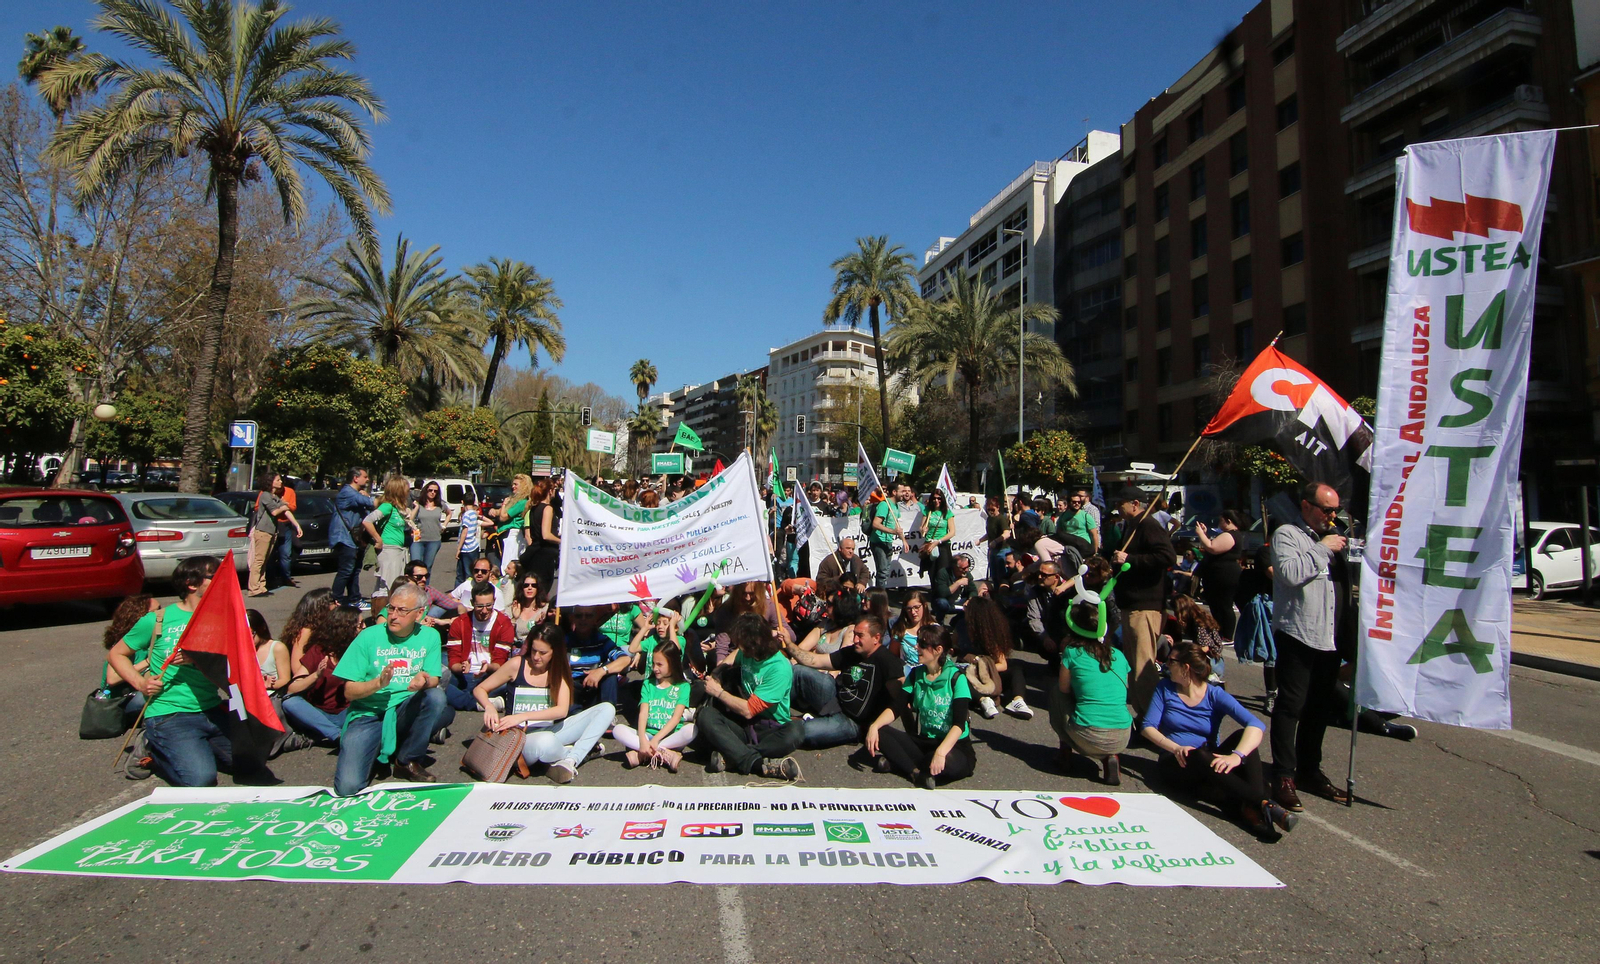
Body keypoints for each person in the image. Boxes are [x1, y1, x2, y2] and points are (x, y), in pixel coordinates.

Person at [107, 556, 256, 787]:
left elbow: (238, 662)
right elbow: (117, 654)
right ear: (191, 583)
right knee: (201, 780)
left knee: (251, 768)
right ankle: (155, 753)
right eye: (214, 577)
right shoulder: (158, 619)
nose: (222, 581)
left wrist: (198, 659)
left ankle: (191, 749)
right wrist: (140, 683)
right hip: (169, 713)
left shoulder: (224, 617)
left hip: (211, 708)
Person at [1142, 642, 1297, 840]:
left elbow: (1256, 725)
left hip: (1208, 761)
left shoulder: (1214, 694)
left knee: (1242, 737)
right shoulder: (1165, 688)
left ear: (1185, 667)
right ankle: (1264, 803)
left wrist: (1236, 756)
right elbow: (1148, 727)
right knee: (1196, 754)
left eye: (1171, 661)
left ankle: (1255, 810)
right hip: (1176, 763)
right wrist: (1175, 748)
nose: (1166, 664)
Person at [1269, 481, 1353, 810]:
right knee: (1291, 706)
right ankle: (1284, 775)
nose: (1332, 516)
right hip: (1298, 633)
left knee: (1320, 708)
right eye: (1326, 510)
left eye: (1335, 510)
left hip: (1330, 637)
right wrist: (1323, 548)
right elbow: (1289, 573)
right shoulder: (1288, 534)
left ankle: (1309, 769)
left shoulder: (1337, 538)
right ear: (1306, 506)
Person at [331, 581, 450, 795]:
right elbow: (348, 692)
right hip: (368, 713)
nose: (393, 615)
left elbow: (433, 678)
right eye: (391, 608)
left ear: (420, 613)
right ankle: (377, 749)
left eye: (402, 610)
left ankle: (407, 760)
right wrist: (377, 684)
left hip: (404, 707)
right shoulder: (368, 637)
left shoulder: (430, 636)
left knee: (436, 697)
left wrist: (424, 681)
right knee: (348, 787)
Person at [476, 625, 614, 784]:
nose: (536, 657)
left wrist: (522, 716)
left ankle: (570, 761)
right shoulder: (517, 664)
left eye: (543, 653)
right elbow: (480, 689)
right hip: (518, 739)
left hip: (550, 730)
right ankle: (578, 751)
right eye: (534, 650)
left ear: (555, 652)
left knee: (606, 709)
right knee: (545, 742)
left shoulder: (559, 671)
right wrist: (489, 707)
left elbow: (562, 711)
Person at [867, 625, 976, 789]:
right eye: (918, 643)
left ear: (938, 650)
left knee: (944, 763)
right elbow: (897, 707)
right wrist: (874, 726)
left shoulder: (956, 678)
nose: (916, 648)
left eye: (923, 645)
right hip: (925, 741)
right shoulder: (916, 674)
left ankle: (900, 764)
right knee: (881, 732)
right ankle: (916, 773)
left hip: (954, 745)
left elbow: (959, 724)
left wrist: (940, 753)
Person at [699, 613, 803, 779]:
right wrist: (718, 673)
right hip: (744, 725)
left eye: (743, 645)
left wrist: (718, 692)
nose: (740, 648)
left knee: (796, 731)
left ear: (756, 644)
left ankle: (735, 755)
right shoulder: (747, 653)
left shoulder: (779, 668)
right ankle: (755, 762)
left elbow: (749, 710)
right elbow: (733, 657)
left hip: (770, 728)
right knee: (705, 715)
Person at [1055, 567, 1133, 785]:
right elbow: (1123, 690)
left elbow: (1063, 690)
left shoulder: (1072, 653)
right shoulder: (1118, 655)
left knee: (1057, 693)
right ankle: (1110, 757)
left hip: (1087, 733)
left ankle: (1065, 750)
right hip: (1123, 734)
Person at [785, 615, 904, 750]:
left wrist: (876, 726)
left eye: (860, 636)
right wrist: (789, 644)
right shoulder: (853, 651)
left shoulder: (888, 662)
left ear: (876, 638)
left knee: (805, 732)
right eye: (854, 634)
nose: (855, 640)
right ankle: (774, 708)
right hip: (835, 698)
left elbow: (901, 700)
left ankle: (777, 728)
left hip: (852, 722)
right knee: (799, 671)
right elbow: (815, 661)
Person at [1110, 485, 1176, 715]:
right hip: (1131, 603)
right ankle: (1142, 712)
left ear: (1135, 504)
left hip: (1145, 604)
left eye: (1121, 504)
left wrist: (1131, 558)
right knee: (1132, 664)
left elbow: (1167, 556)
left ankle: (1151, 719)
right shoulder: (1132, 526)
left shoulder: (1148, 524)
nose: (1118, 509)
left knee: (1142, 666)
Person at [282, 606, 360, 744]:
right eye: (360, 625)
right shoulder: (319, 651)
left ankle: (325, 732)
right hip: (319, 713)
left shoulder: (360, 651)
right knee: (290, 702)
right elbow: (292, 688)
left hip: (347, 712)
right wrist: (316, 675)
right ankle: (337, 735)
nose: (364, 628)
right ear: (346, 629)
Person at [613, 642, 696, 771]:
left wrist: (655, 741)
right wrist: (643, 741)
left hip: (670, 737)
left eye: (660, 664)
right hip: (648, 734)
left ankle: (643, 755)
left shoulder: (683, 687)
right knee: (617, 730)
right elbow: (643, 713)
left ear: (672, 663)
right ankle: (663, 754)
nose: (655, 668)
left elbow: (675, 718)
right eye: (653, 663)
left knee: (692, 729)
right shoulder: (648, 684)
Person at [444, 585, 517, 712]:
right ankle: (478, 702)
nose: (484, 610)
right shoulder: (459, 622)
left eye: (488, 605)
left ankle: (464, 699)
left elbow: (500, 662)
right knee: (437, 682)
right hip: (463, 676)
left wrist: (488, 667)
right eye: (479, 606)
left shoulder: (503, 623)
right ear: (472, 603)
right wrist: (460, 667)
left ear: (494, 601)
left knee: (511, 683)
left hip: (490, 676)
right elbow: (453, 659)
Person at [960, 595, 1023, 720]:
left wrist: (982, 669)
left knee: (1016, 669)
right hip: (969, 673)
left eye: (966, 607)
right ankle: (983, 701)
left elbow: (1002, 664)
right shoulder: (960, 625)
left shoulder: (988, 634)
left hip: (988, 673)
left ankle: (1018, 701)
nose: (963, 609)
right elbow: (954, 644)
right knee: (961, 676)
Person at [565, 605, 633, 710]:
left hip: (595, 687)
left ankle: (608, 714)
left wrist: (601, 671)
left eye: (588, 616)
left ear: (594, 619)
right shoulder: (564, 641)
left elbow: (625, 659)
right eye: (579, 616)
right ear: (572, 618)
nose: (583, 619)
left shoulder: (601, 640)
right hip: (571, 688)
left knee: (610, 671)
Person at [362, 475, 416, 607]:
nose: (408, 492)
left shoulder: (399, 508)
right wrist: (378, 539)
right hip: (389, 550)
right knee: (387, 586)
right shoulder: (387, 506)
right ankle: (383, 614)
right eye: (406, 489)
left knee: (396, 584)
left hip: (399, 550)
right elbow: (367, 521)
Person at [1194, 510, 1246, 641]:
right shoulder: (1227, 535)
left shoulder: (1230, 535)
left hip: (1225, 575)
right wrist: (1205, 534)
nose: (1219, 523)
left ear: (1228, 521)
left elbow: (1212, 547)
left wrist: (1200, 534)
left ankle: (1227, 635)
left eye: (1221, 520)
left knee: (1224, 605)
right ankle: (1218, 630)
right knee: (1216, 605)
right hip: (1215, 575)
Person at [248, 474, 302, 597]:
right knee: (259, 561)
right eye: (277, 480)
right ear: (270, 482)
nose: (280, 481)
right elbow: (275, 511)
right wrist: (283, 506)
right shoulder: (265, 495)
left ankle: (261, 586)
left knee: (265, 560)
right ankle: (254, 588)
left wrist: (296, 525)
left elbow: (286, 511)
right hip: (263, 531)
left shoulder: (274, 496)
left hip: (271, 531)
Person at [330, 467, 375, 609]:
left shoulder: (354, 493)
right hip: (345, 537)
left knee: (354, 570)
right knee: (346, 570)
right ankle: (334, 600)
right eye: (365, 476)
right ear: (355, 478)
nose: (367, 479)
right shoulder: (348, 492)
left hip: (354, 538)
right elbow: (372, 503)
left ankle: (354, 599)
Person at [519, 477, 562, 595]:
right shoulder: (547, 508)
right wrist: (561, 541)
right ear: (550, 491)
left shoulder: (533, 508)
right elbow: (546, 534)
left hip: (535, 552)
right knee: (542, 591)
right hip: (544, 554)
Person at [865, 487, 905, 589]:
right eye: (902, 491)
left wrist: (904, 540)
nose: (904, 494)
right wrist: (893, 532)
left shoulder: (895, 506)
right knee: (882, 572)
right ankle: (880, 597)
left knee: (886, 572)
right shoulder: (884, 505)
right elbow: (876, 524)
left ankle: (881, 594)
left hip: (888, 541)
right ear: (894, 492)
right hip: (878, 541)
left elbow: (895, 524)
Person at [890, 590, 935, 680]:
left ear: (924, 606)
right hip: (908, 673)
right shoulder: (900, 631)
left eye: (916, 607)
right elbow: (893, 656)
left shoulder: (934, 629)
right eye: (909, 609)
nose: (913, 612)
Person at [493, 474, 534, 569]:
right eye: (513, 484)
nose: (513, 487)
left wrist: (504, 504)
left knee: (507, 565)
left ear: (524, 486)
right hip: (505, 534)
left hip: (511, 535)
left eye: (516, 484)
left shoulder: (522, 502)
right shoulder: (518, 501)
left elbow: (503, 516)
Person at [410, 481, 446, 573]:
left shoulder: (440, 504)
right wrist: (416, 508)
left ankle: (424, 587)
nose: (433, 492)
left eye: (435, 491)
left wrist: (444, 525)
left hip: (434, 540)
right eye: (430, 490)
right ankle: (414, 587)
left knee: (427, 567)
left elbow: (449, 513)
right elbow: (410, 519)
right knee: (415, 565)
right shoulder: (419, 504)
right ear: (426, 490)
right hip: (418, 540)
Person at [1054, 487, 1101, 555]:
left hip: (1083, 547)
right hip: (1069, 548)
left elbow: (1094, 535)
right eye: (1074, 502)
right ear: (1069, 503)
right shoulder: (1063, 516)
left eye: (1079, 502)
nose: (1077, 504)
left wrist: (1095, 552)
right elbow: (1059, 532)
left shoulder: (1086, 516)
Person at [919, 489, 955, 576]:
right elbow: (921, 527)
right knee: (932, 572)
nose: (936, 501)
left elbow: (952, 532)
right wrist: (923, 530)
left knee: (943, 572)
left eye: (939, 498)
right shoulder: (927, 511)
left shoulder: (947, 513)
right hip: (929, 544)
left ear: (942, 499)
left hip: (942, 545)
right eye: (934, 498)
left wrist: (938, 541)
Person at [508, 572, 550, 638]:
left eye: (534, 585)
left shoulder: (545, 608)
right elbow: (507, 634)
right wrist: (514, 618)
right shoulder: (513, 607)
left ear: (538, 588)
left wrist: (542, 622)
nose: (530, 588)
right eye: (526, 585)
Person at [455, 496, 484, 588]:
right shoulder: (474, 514)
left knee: (464, 573)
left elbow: (464, 532)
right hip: (474, 546)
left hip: (467, 547)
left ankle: (463, 592)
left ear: (462, 501)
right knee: (471, 571)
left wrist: (459, 548)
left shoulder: (467, 514)